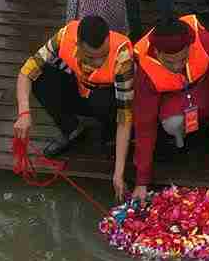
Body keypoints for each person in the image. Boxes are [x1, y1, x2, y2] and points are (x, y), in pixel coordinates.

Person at [123, 15, 209, 202]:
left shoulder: (206, 42)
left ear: (190, 46)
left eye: (183, 59)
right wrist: (141, 181)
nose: (177, 66)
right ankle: (181, 141)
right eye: (170, 62)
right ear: (157, 52)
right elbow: (144, 123)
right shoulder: (145, 67)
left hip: (203, 88)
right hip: (174, 101)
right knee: (172, 122)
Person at [13, 13, 134, 163]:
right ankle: (71, 129)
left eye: (104, 55)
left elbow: (125, 116)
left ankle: (112, 136)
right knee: (39, 76)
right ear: (78, 45)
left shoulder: (123, 55)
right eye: (91, 57)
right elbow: (26, 72)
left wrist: (118, 172)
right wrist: (24, 113)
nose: (99, 62)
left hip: (109, 103)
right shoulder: (63, 36)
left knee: (102, 101)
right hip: (81, 90)